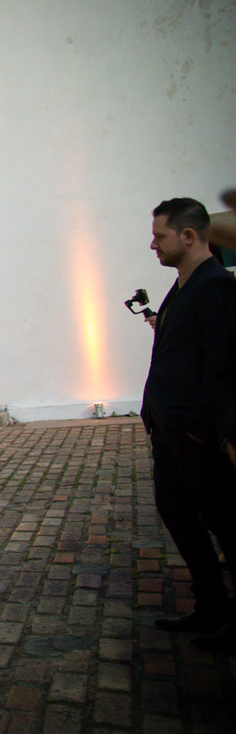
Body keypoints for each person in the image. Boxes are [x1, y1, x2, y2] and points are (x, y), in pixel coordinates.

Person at [142, 198, 236, 652]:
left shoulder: (215, 285)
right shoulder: (183, 286)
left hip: (192, 430)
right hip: (169, 428)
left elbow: (223, 361)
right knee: (176, 510)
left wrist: (199, 423)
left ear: (189, 235)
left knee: (224, 520)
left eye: (160, 235)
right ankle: (212, 601)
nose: (153, 244)